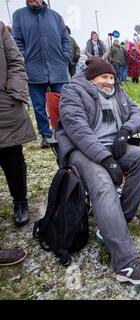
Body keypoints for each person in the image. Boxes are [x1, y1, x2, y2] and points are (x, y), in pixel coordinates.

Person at [56, 57, 140, 285]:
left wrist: (125, 131)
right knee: (103, 183)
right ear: (91, 78)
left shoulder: (119, 92)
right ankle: (125, 263)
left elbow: (138, 114)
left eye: (112, 77)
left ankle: (115, 221)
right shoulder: (73, 92)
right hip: (82, 150)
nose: (110, 81)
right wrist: (106, 159)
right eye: (104, 76)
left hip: (112, 147)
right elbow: (78, 130)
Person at [0, 20, 36, 266]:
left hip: (3, 103)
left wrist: (13, 92)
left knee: (12, 156)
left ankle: (20, 201)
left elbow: (15, 60)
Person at [12, 0, 71, 148]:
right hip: (34, 69)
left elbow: (65, 39)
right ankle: (46, 134)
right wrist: (25, 59)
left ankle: (66, 132)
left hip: (57, 67)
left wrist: (65, 57)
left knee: (63, 103)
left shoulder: (56, 16)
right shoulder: (19, 15)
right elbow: (17, 41)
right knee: (39, 105)